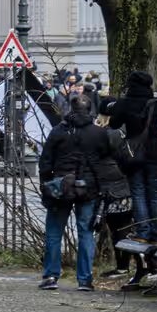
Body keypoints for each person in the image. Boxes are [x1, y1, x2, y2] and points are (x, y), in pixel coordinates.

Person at [38, 97, 130, 291]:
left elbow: (45, 161)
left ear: (71, 108)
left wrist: (46, 185)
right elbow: (106, 160)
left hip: (61, 187)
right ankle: (85, 279)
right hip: (88, 187)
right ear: (90, 110)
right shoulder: (98, 133)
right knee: (86, 233)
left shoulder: (58, 131)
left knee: (54, 233)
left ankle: (50, 277)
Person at [102, 69, 157, 243]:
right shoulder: (156, 102)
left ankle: (143, 232)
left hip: (134, 153)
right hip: (155, 152)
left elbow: (114, 123)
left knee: (138, 192)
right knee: (154, 195)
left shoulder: (125, 102)